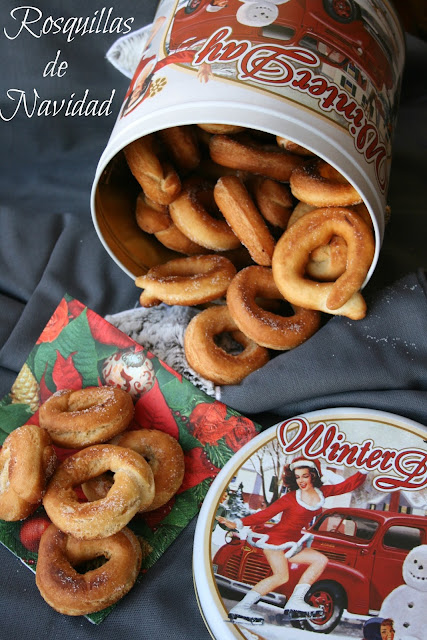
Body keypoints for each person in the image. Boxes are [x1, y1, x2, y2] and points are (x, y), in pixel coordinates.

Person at [217, 457, 366, 623]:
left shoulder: (321, 492)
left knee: (320, 560)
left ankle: (296, 600)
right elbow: (265, 514)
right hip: (276, 541)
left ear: (313, 476)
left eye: (304, 476)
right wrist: (238, 522)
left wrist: (364, 471)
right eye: (297, 477)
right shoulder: (290, 498)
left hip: (293, 542)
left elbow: (345, 486)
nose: (301, 480)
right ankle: (242, 607)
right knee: (281, 577)